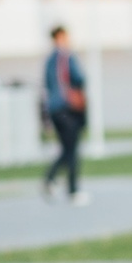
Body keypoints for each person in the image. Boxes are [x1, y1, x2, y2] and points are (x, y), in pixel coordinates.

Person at [40, 25, 89, 204]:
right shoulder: (66, 57)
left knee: (66, 149)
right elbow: (79, 78)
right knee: (72, 150)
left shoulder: (49, 60)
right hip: (67, 107)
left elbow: (46, 85)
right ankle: (72, 190)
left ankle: (51, 179)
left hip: (54, 109)